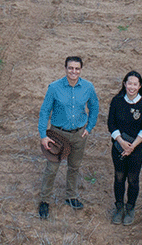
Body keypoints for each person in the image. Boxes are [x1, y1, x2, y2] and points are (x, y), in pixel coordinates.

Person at [37, 56, 99, 219]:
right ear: (65, 69)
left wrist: (89, 127)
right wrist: (43, 135)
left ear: (81, 70)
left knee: (74, 167)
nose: (74, 71)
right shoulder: (54, 87)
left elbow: (94, 106)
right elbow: (44, 111)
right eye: (70, 68)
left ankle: (71, 196)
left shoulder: (88, 87)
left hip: (79, 134)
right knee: (52, 169)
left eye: (77, 68)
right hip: (58, 135)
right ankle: (44, 200)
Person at [107, 70, 142, 226]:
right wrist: (120, 141)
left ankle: (130, 208)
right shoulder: (116, 101)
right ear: (124, 84)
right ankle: (119, 207)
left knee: (133, 179)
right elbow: (111, 124)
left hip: (136, 150)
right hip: (118, 147)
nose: (132, 87)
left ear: (140, 86)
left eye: (135, 84)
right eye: (129, 83)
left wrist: (132, 146)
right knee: (119, 177)